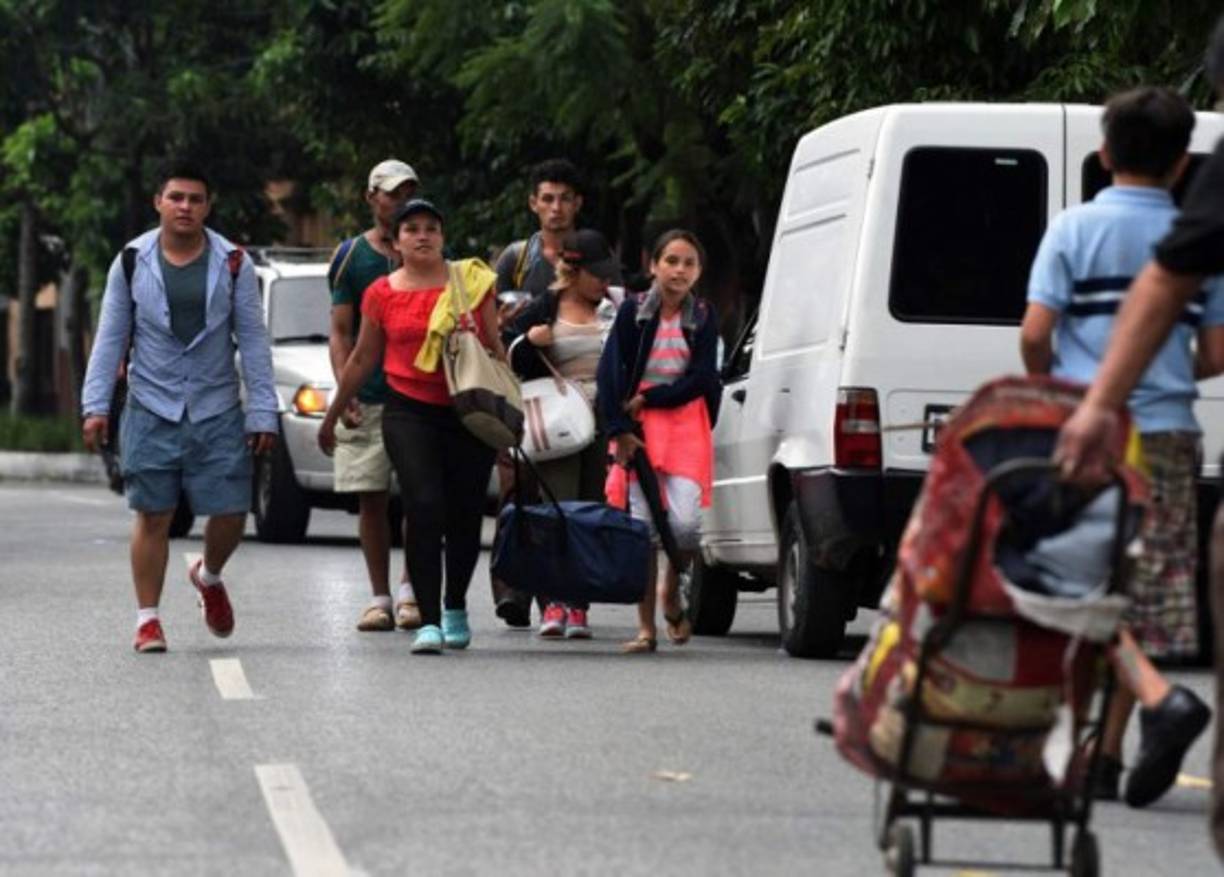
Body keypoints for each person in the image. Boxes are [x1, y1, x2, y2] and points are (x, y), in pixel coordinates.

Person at [1020, 86, 1224, 805]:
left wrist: (1053, 389)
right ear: (1182, 164)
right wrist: (1163, 369)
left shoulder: (1073, 229)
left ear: (1104, 154)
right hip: (1167, 434)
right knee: (1138, 595)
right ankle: (1105, 755)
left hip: (1087, 429)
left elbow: (1035, 333)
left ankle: (1138, 712)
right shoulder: (1199, 237)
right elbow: (1217, 351)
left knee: (1073, 585)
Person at [81, 161, 278, 653]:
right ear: (159, 203)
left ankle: (208, 577)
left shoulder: (234, 263)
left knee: (232, 510)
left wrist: (262, 410)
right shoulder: (131, 261)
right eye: (176, 197)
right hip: (151, 404)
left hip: (216, 405)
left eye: (195, 199)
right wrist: (95, 405)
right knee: (153, 514)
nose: (185, 207)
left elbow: (253, 340)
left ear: (207, 207)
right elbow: (110, 338)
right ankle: (148, 620)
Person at [318, 199, 502, 655]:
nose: (422, 236)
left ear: (442, 237)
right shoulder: (381, 292)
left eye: (431, 228)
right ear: (396, 242)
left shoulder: (472, 283)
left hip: (467, 410)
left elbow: (495, 349)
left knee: (464, 513)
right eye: (412, 229)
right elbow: (362, 357)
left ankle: (455, 607)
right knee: (423, 505)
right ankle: (430, 620)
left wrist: (512, 412)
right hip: (407, 411)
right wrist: (333, 413)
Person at [597, 229, 721, 653]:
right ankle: (646, 627)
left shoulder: (702, 315)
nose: (679, 271)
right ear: (653, 266)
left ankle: (672, 589)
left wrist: (651, 398)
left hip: (685, 421)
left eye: (689, 263)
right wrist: (620, 430)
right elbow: (609, 372)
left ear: (698, 272)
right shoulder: (633, 312)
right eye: (671, 261)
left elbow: (702, 378)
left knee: (684, 524)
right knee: (643, 528)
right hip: (638, 427)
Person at [504, 229, 620, 638]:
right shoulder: (543, 308)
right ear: (573, 271)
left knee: (589, 510)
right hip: (559, 423)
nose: (604, 281)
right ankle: (552, 601)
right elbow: (508, 356)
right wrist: (529, 342)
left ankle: (578, 604)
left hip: (602, 422)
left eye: (608, 274)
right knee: (558, 510)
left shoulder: (614, 309)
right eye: (597, 274)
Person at [490, 158, 586, 627]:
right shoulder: (516, 259)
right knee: (516, 491)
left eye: (564, 199)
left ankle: (560, 595)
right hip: (520, 391)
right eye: (547, 198)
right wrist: (513, 329)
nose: (556, 207)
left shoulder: (591, 254)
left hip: (574, 395)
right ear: (533, 203)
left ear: (577, 204)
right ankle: (512, 589)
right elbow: (490, 326)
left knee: (564, 497)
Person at [328, 158, 421, 633]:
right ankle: (379, 597)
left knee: (421, 498)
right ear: (371, 198)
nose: (399, 201)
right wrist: (344, 390)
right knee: (372, 498)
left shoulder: (427, 250)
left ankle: (410, 592)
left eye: (407, 192)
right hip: (369, 394)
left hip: (419, 394)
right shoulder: (351, 256)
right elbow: (340, 332)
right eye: (391, 193)